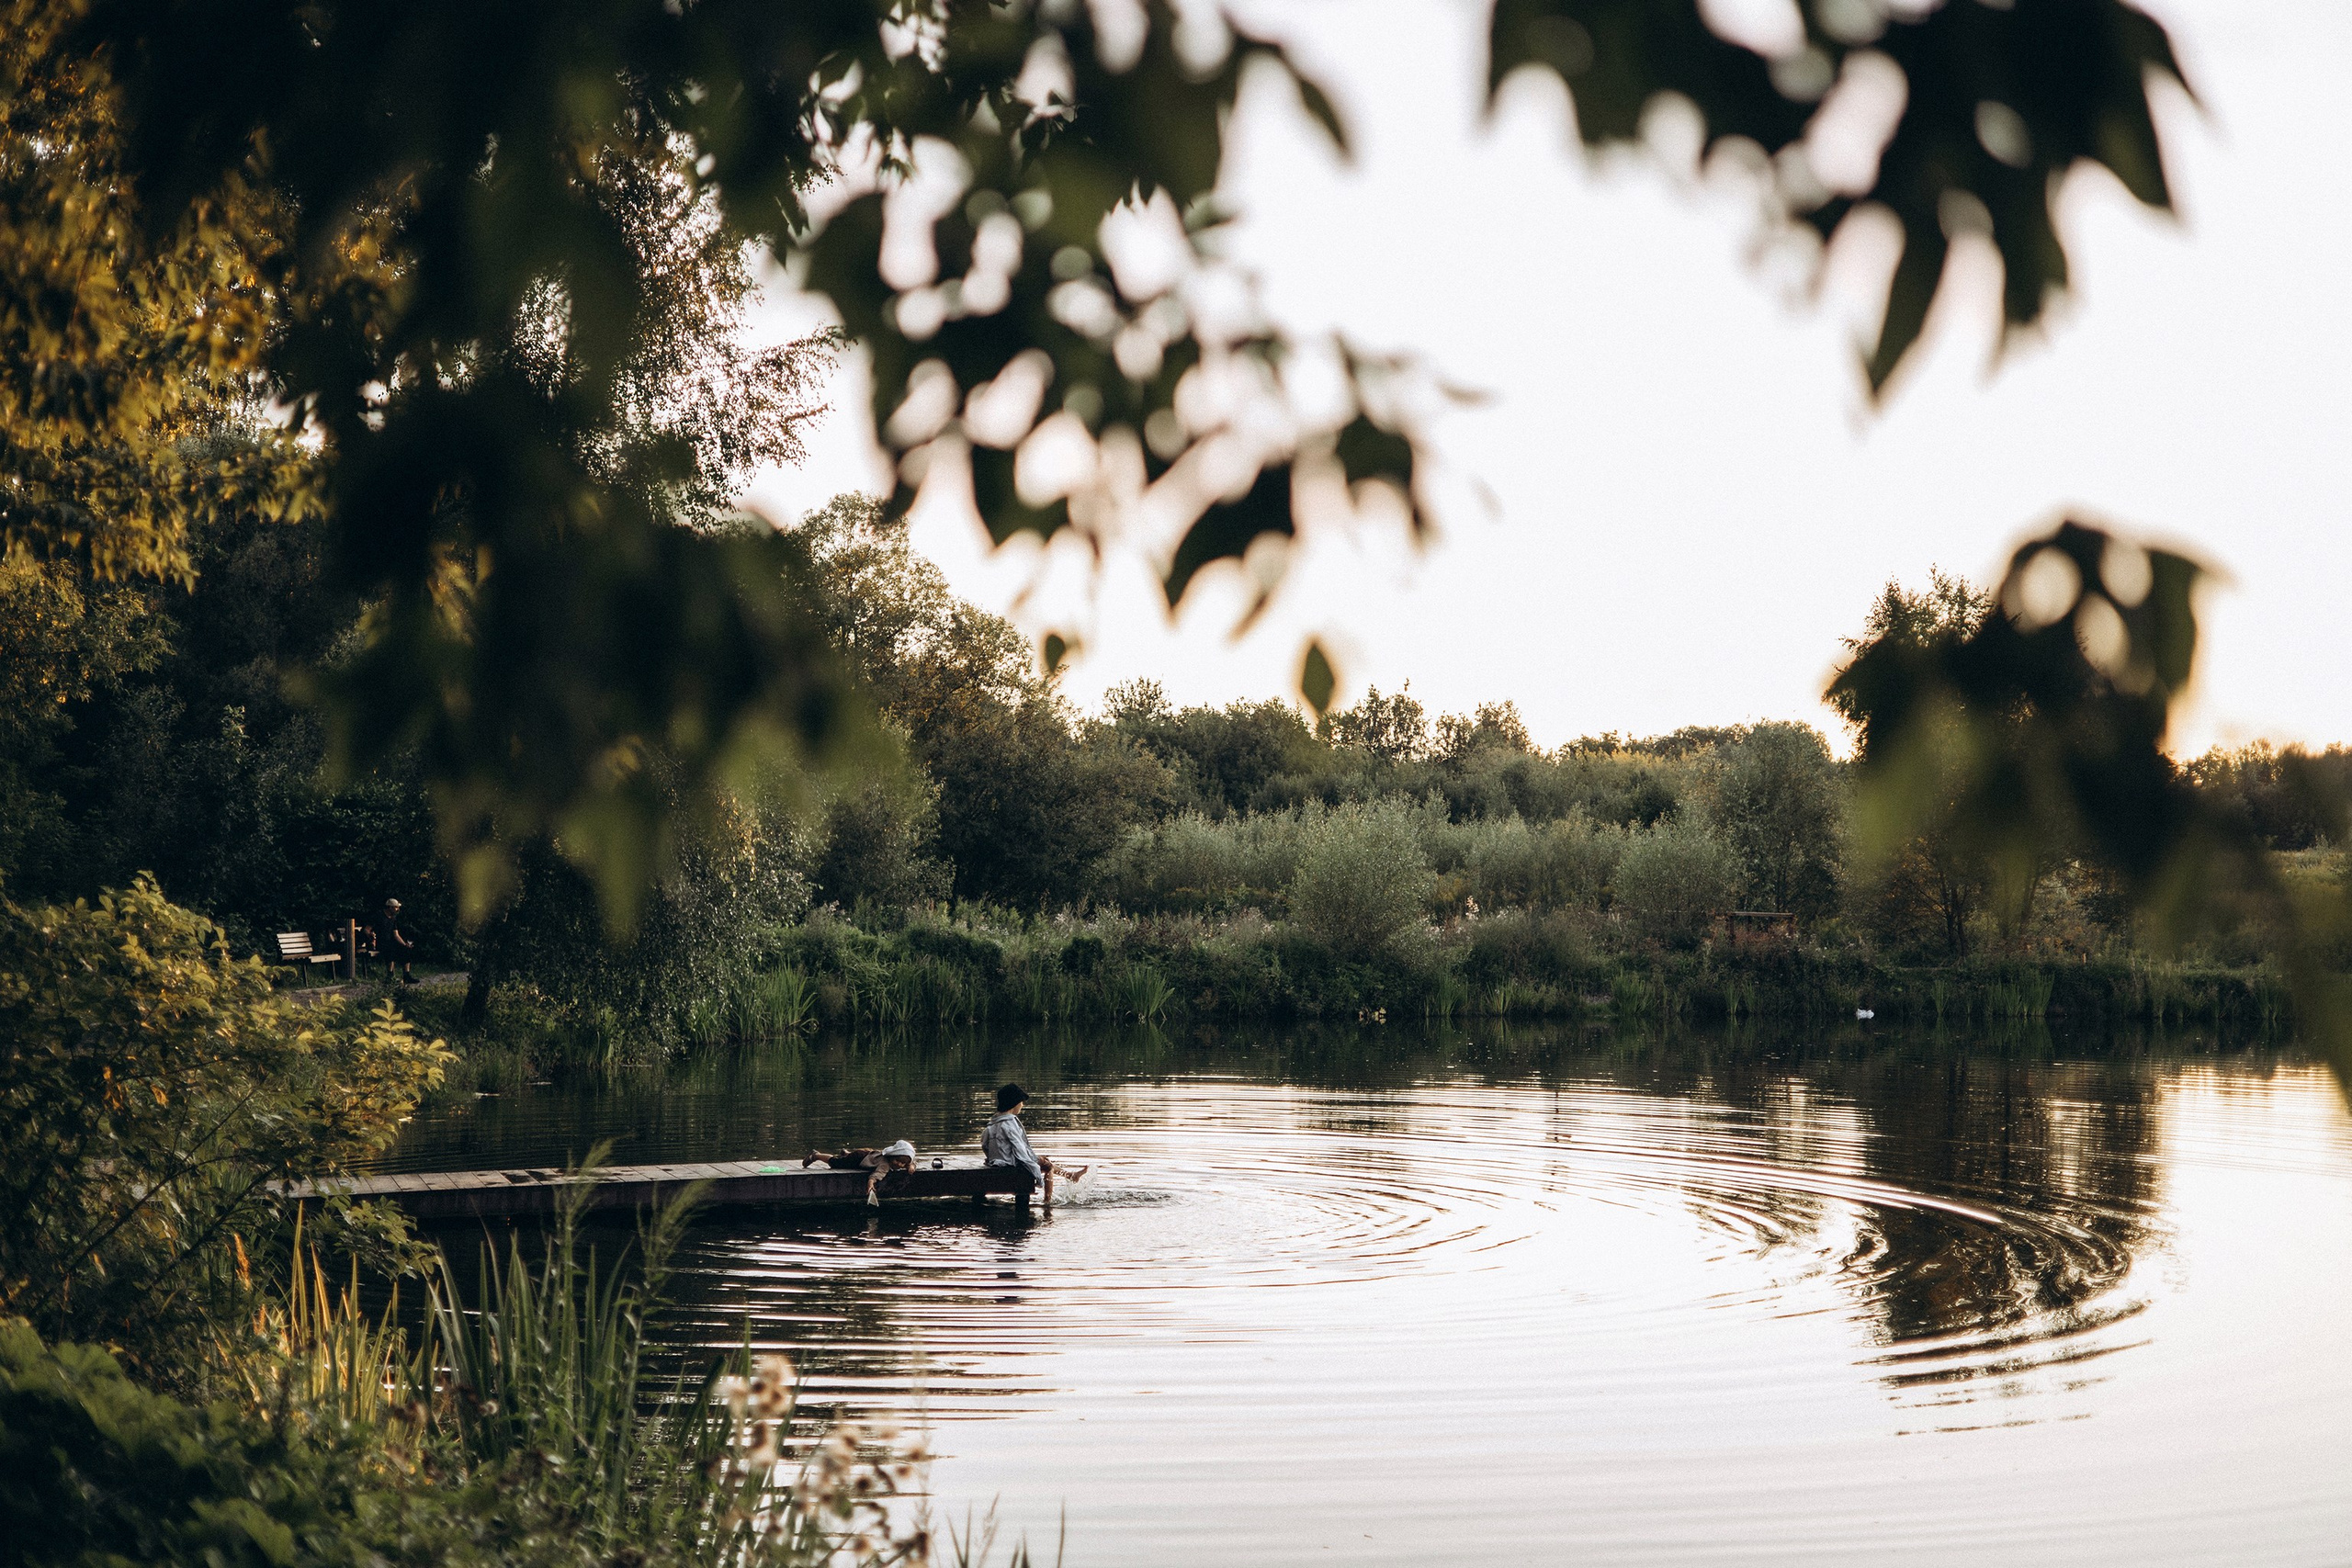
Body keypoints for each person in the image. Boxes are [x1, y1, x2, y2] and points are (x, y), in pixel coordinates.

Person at [982, 1083, 1087, 1206]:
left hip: (997, 1162)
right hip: (1008, 1165)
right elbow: (1019, 1148)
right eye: (1021, 1102)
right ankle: (1048, 1202)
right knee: (1047, 1166)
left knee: (1042, 1160)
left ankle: (1070, 1175)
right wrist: (1033, 1161)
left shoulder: (992, 1124)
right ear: (1014, 1103)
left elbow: (985, 1146)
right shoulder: (1010, 1124)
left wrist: (994, 1158)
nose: (1022, 1105)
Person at [801, 1140, 919, 1206]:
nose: (899, 1165)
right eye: (897, 1161)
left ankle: (847, 1154)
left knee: (849, 1157)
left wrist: (911, 1165)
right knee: (836, 1163)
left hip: (869, 1154)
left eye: (903, 1164)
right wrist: (870, 1184)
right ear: (892, 1156)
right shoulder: (885, 1164)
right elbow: (876, 1175)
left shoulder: (903, 1161)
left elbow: (910, 1161)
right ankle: (816, 1155)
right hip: (859, 1159)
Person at [369, 898, 415, 984]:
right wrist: (371, 937)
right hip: (380, 941)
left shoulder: (393, 918)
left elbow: (396, 935)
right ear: (390, 907)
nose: (397, 909)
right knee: (390, 949)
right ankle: (390, 976)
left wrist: (404, 944)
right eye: (396, 907)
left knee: (405, 949)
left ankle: (406, 975)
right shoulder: (379, 916)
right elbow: (367, 929)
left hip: (390, 941)